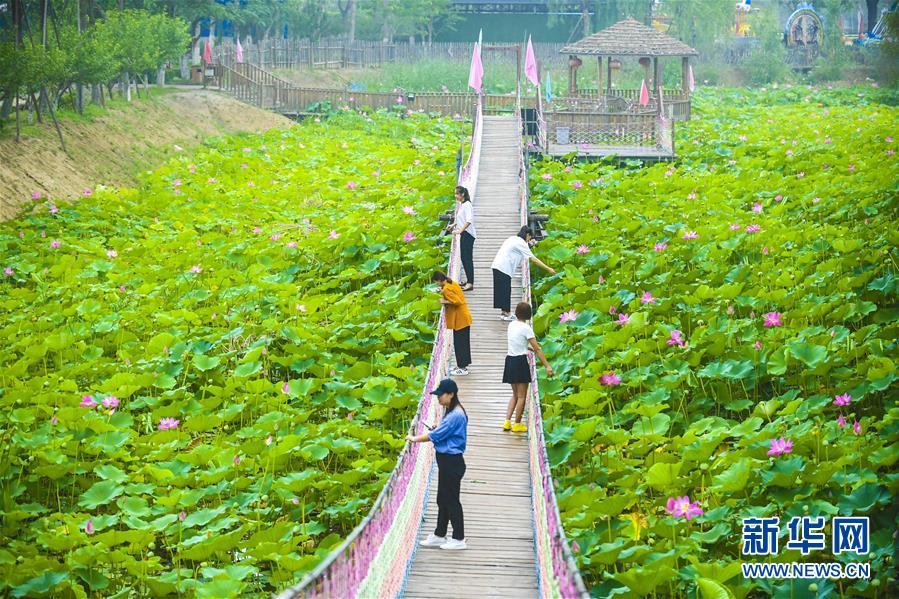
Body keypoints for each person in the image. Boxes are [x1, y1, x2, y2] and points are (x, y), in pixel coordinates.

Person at [407, 378, 468, 550]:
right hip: (447, 461)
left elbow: (434, 436)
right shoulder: (451, 410)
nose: (438, 398)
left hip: (452, 462)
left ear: (451, 394)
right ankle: (440, 534)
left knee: (452, 500)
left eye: (441, 395)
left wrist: (414, 439)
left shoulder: (455, 415)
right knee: (442, 498)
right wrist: (438, 427)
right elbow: (444, 432)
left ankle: (458, 538)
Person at [502, 302, 554, 432]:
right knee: (521, 397)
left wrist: (528, 348)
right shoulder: (526, 328)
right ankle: (517, 424)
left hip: (509, 360)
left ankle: (507, 422)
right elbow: (537, 349)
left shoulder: (511, 325)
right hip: (520, 362)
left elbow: (518, 342)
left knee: (515, 395)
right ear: (529, 315)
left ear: (516, 313)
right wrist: (547, 366)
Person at [491, 226, 556, 321]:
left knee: (501, 290)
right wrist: (548, 269)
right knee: (505, 290)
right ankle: (507, 314)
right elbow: (534, 260)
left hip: (497, 265)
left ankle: (504, 313)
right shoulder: (521, 243)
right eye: (530, 237)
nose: (529, 239)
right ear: (527, 234)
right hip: (504, 267)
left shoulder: (513, 238)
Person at [432, 271, 472, 376]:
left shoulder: (446, 289)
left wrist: (444, 301)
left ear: (439, 280)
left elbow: (457, 301)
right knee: (463, 343)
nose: (436, 284)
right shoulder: (451, 282)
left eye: (436, 282)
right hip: (464, 317)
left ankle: (462, 368)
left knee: (460, 344)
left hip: (459, 319)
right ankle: (462, 365)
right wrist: (441, 291)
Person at [445, 186, 476, 291]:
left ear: (462, 194)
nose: (455, 196)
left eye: (457, 194)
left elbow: (469, 221)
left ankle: (470, 283)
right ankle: (468, 280)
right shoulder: (462, 205)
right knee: (464, 258)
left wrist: (459, 231)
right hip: (465, 234)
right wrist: (453, 225)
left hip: (468, 235)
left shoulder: (467, 205)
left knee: (467, 259)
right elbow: (461, 219)